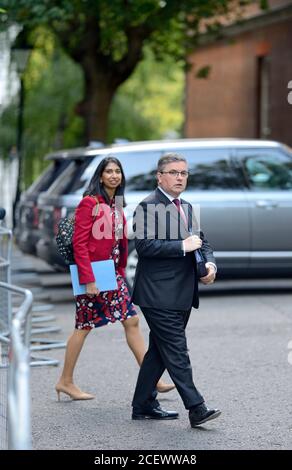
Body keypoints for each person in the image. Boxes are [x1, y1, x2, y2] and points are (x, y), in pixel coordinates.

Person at [55, 156, 174, 400]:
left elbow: (119, 241)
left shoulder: (116, 203)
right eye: (108, 171)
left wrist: (120, 271)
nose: (113, 175)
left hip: (111, 274)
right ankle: (65, 381)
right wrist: (88, 279)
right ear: (100, 176)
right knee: (84, 326)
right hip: (93, 275)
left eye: (117, 171)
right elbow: (80, 243)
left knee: (129, 321)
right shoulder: (89, 203)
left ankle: (153, 379)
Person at [131, 153, 221, 427]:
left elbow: (201, 242)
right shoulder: (147, 206)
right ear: (160, 176)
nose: (180, 177)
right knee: (177, 350)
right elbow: (145, 247)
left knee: (160, 350)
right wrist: (182, 246)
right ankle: (196, 408)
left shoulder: (187, 206)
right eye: (174, 172)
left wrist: (210, 266)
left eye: (184, 173)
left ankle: (143, 404)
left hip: (181, 293)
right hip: (158, 295)